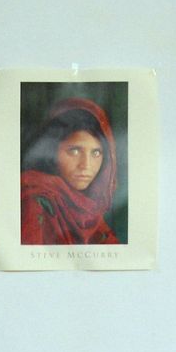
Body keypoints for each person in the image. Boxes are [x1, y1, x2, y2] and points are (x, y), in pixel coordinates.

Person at [20, 97, 121, 246]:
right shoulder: (33, 200)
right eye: (74, 151)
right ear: (52, 152)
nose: (85, 165)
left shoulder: (90, 210)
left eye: (96, 153)